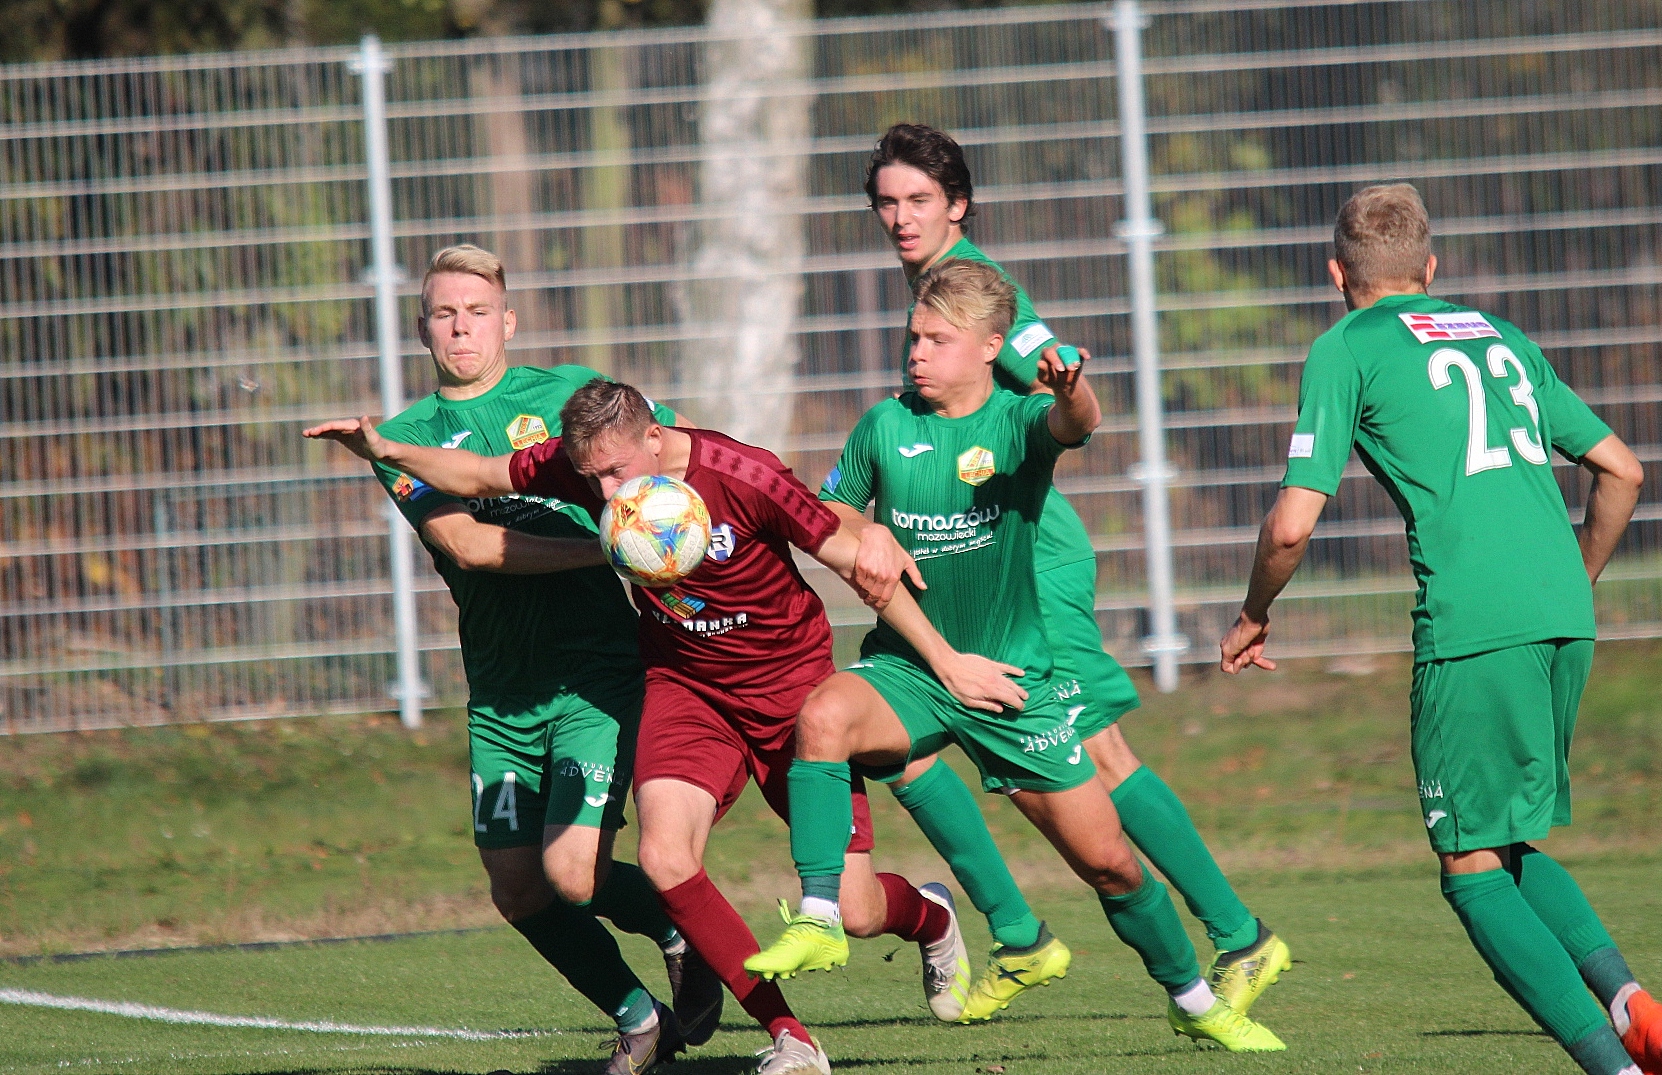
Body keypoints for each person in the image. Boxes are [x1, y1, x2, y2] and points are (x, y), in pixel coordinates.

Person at [308, 377, 1011, 1075]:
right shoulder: (587, 467)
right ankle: (792, 1038)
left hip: (788, 694)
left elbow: (856, 560)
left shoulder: (744, 474)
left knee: (856, 911)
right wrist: (385, 448)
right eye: (592, 477)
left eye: (616, 471)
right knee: (665, 858)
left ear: (654, 436)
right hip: (685, 688)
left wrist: (946, 661)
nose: (607, 493)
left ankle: (929, 914)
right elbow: (479, 473)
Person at [748, 258, 1286, 1053]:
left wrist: (1071, 390)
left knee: (1110, 865)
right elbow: (829, 509)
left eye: (936, 339)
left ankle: (1194, 997)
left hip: (1010, 683)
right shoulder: (884, 425)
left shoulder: (1014, 421)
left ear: (989, 346)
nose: (916, 352)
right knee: (823, 715)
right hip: (911, 669)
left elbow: (1074, 423)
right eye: (913, 336)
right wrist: (868, 530)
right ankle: (820, 914)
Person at [1218, 184, 1662, 1075]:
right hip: (1561, 619)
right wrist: (1569, 584)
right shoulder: (1498, 335)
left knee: (1468, 865)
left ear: (1335, 274)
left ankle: (1616, 1068)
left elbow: (1289, 526)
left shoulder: (1345, 345)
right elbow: (1621, 471)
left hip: (1472, 627)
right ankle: (1633, 1005)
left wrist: (1252, 614)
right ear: (1430, 267)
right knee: (1505, 841)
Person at [839, 122, 1288, 1023]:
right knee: (897, 740)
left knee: (1099, 753)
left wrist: (1065, 382)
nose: (900, 216)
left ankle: (1236, 935)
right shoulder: (930, 297)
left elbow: (1061, 385)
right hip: (966, 567)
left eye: (919, 199)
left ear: (958, 206)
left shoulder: (978, 293)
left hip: (1026, 568)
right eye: (886, 201)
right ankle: (1019, 933)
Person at [303, 244, 715, 1075]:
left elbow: (674, 447)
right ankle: (640, 1017)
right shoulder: (403, 438)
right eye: (444, 313)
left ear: (508, 322)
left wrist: (664, 525)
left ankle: (683, 930)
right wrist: (607, 548)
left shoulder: (568, 394)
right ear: (423, 328)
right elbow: (468, 545)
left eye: (478, 311)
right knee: (518, 887)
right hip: (500, 694)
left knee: (573, 871)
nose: (462, 327)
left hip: (595, 674)